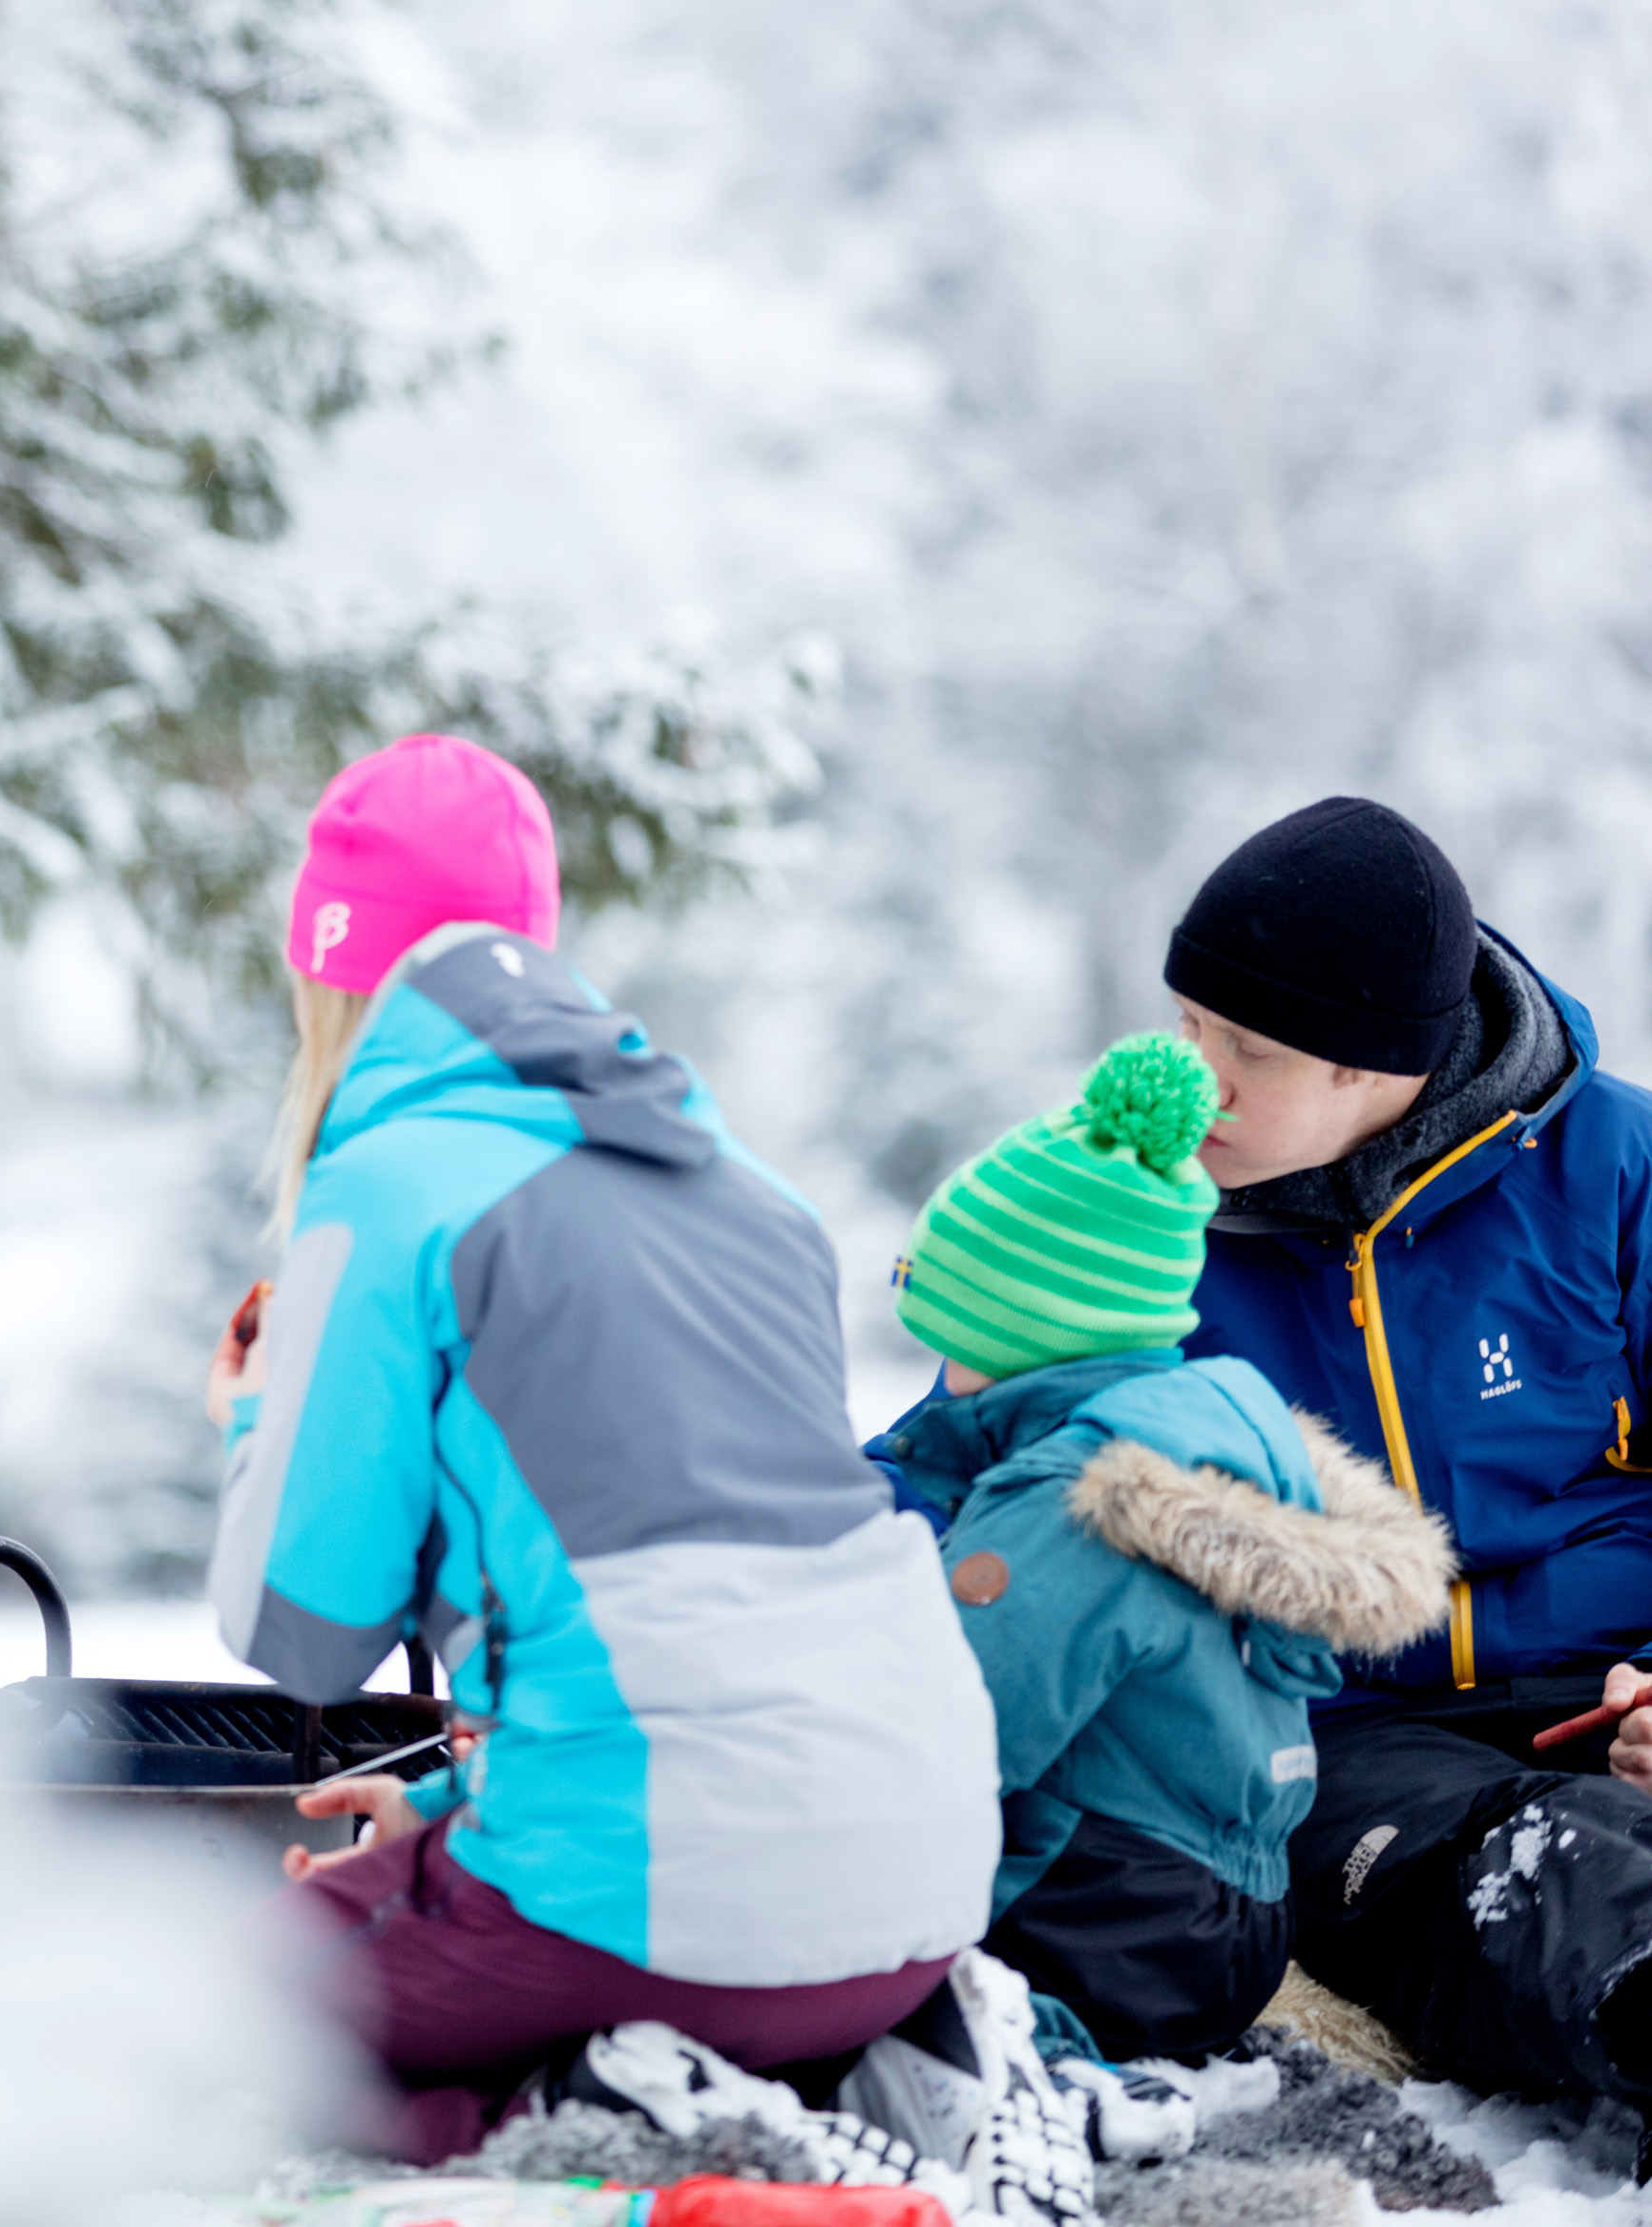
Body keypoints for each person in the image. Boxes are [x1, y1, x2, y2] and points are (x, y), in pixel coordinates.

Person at [205, 732, 1012, 2171]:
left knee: (186, 2023)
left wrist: (258, 1414)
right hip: (924, 1881)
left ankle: (600, 2112)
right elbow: (711, 1605)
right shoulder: (751, 1190)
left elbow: (301, 1630)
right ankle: (831, 2080)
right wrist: (458, 1799)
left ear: (334, 975)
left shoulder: (386, 1189)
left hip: (665, 1897)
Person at [1160, 798, 1652, 2103]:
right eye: (1184, 1024)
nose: (1189, 1077)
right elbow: (970, 1470)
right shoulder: (1134, 1223)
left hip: (1614, 1684)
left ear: (1376, 1069)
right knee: (1523, 1877)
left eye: (1244, 1046)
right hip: (1345, 1736)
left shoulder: (1616, 1164)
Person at [874, 1031, 1453, 2120]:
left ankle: (1023, 2062)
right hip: (1224, 1916)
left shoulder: (1070, 1500)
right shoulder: (1209, 1447)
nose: (934, 1368)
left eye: (943, 1319)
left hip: (1102, 1926)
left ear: (1016, 1325)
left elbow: (942, 1738)